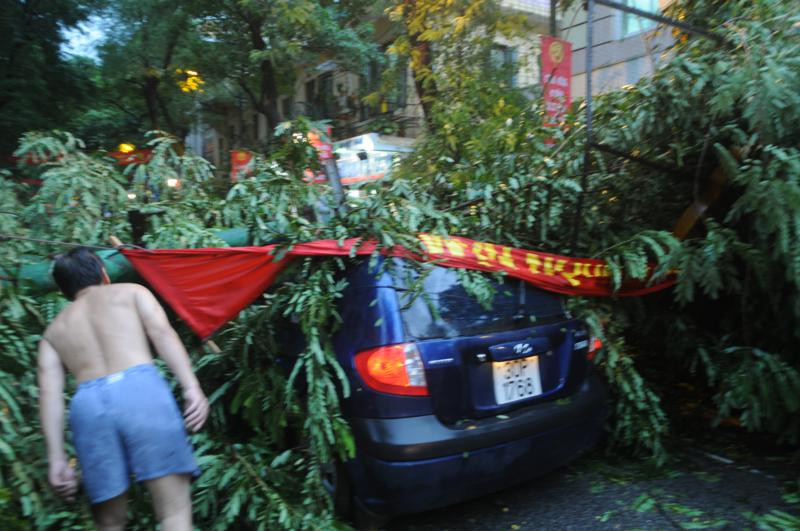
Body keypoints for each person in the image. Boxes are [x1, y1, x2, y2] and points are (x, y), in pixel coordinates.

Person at [38, 247, 209, 531]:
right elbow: (163, 334)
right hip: (141, 392)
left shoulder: (53, 333)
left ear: (64, 291)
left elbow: (50, 395)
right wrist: (192, 386)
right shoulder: (131, 293)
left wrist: (56, 458)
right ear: (103, 272)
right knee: (174, 512)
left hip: (88, 407)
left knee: (110, 524)